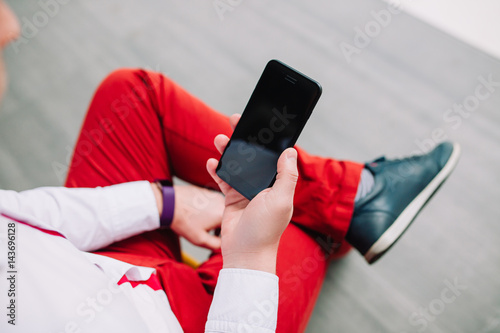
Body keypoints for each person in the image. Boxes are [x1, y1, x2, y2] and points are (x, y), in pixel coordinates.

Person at [0, 1, 460, 332]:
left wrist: (166, 202)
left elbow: (22, 220)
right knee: (298, 228)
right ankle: (347, 210)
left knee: (133, 93)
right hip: (185, 321)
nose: (10, 26)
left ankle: (351, 202)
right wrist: (253, 256)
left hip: (105, 269)